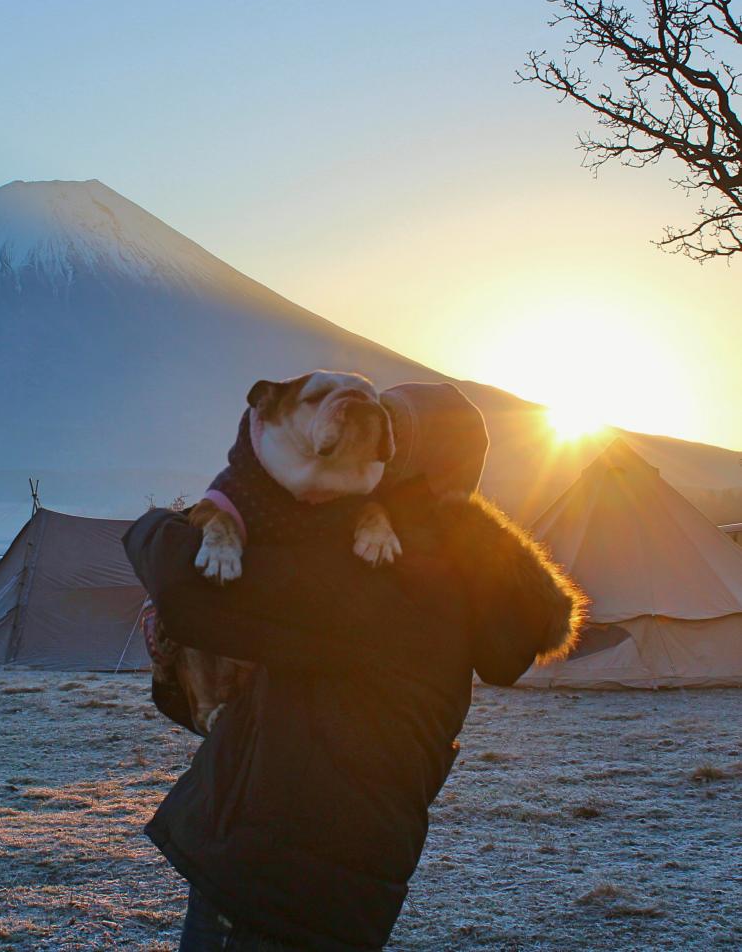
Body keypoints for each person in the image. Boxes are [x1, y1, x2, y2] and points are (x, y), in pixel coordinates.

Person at [124, 383, 574, 950]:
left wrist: (149, 526)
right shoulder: (451, 565)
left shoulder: (385, 566)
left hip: (274, 869)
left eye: (373, 428)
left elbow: (186, 593)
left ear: (400, 456)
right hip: (349, 869)